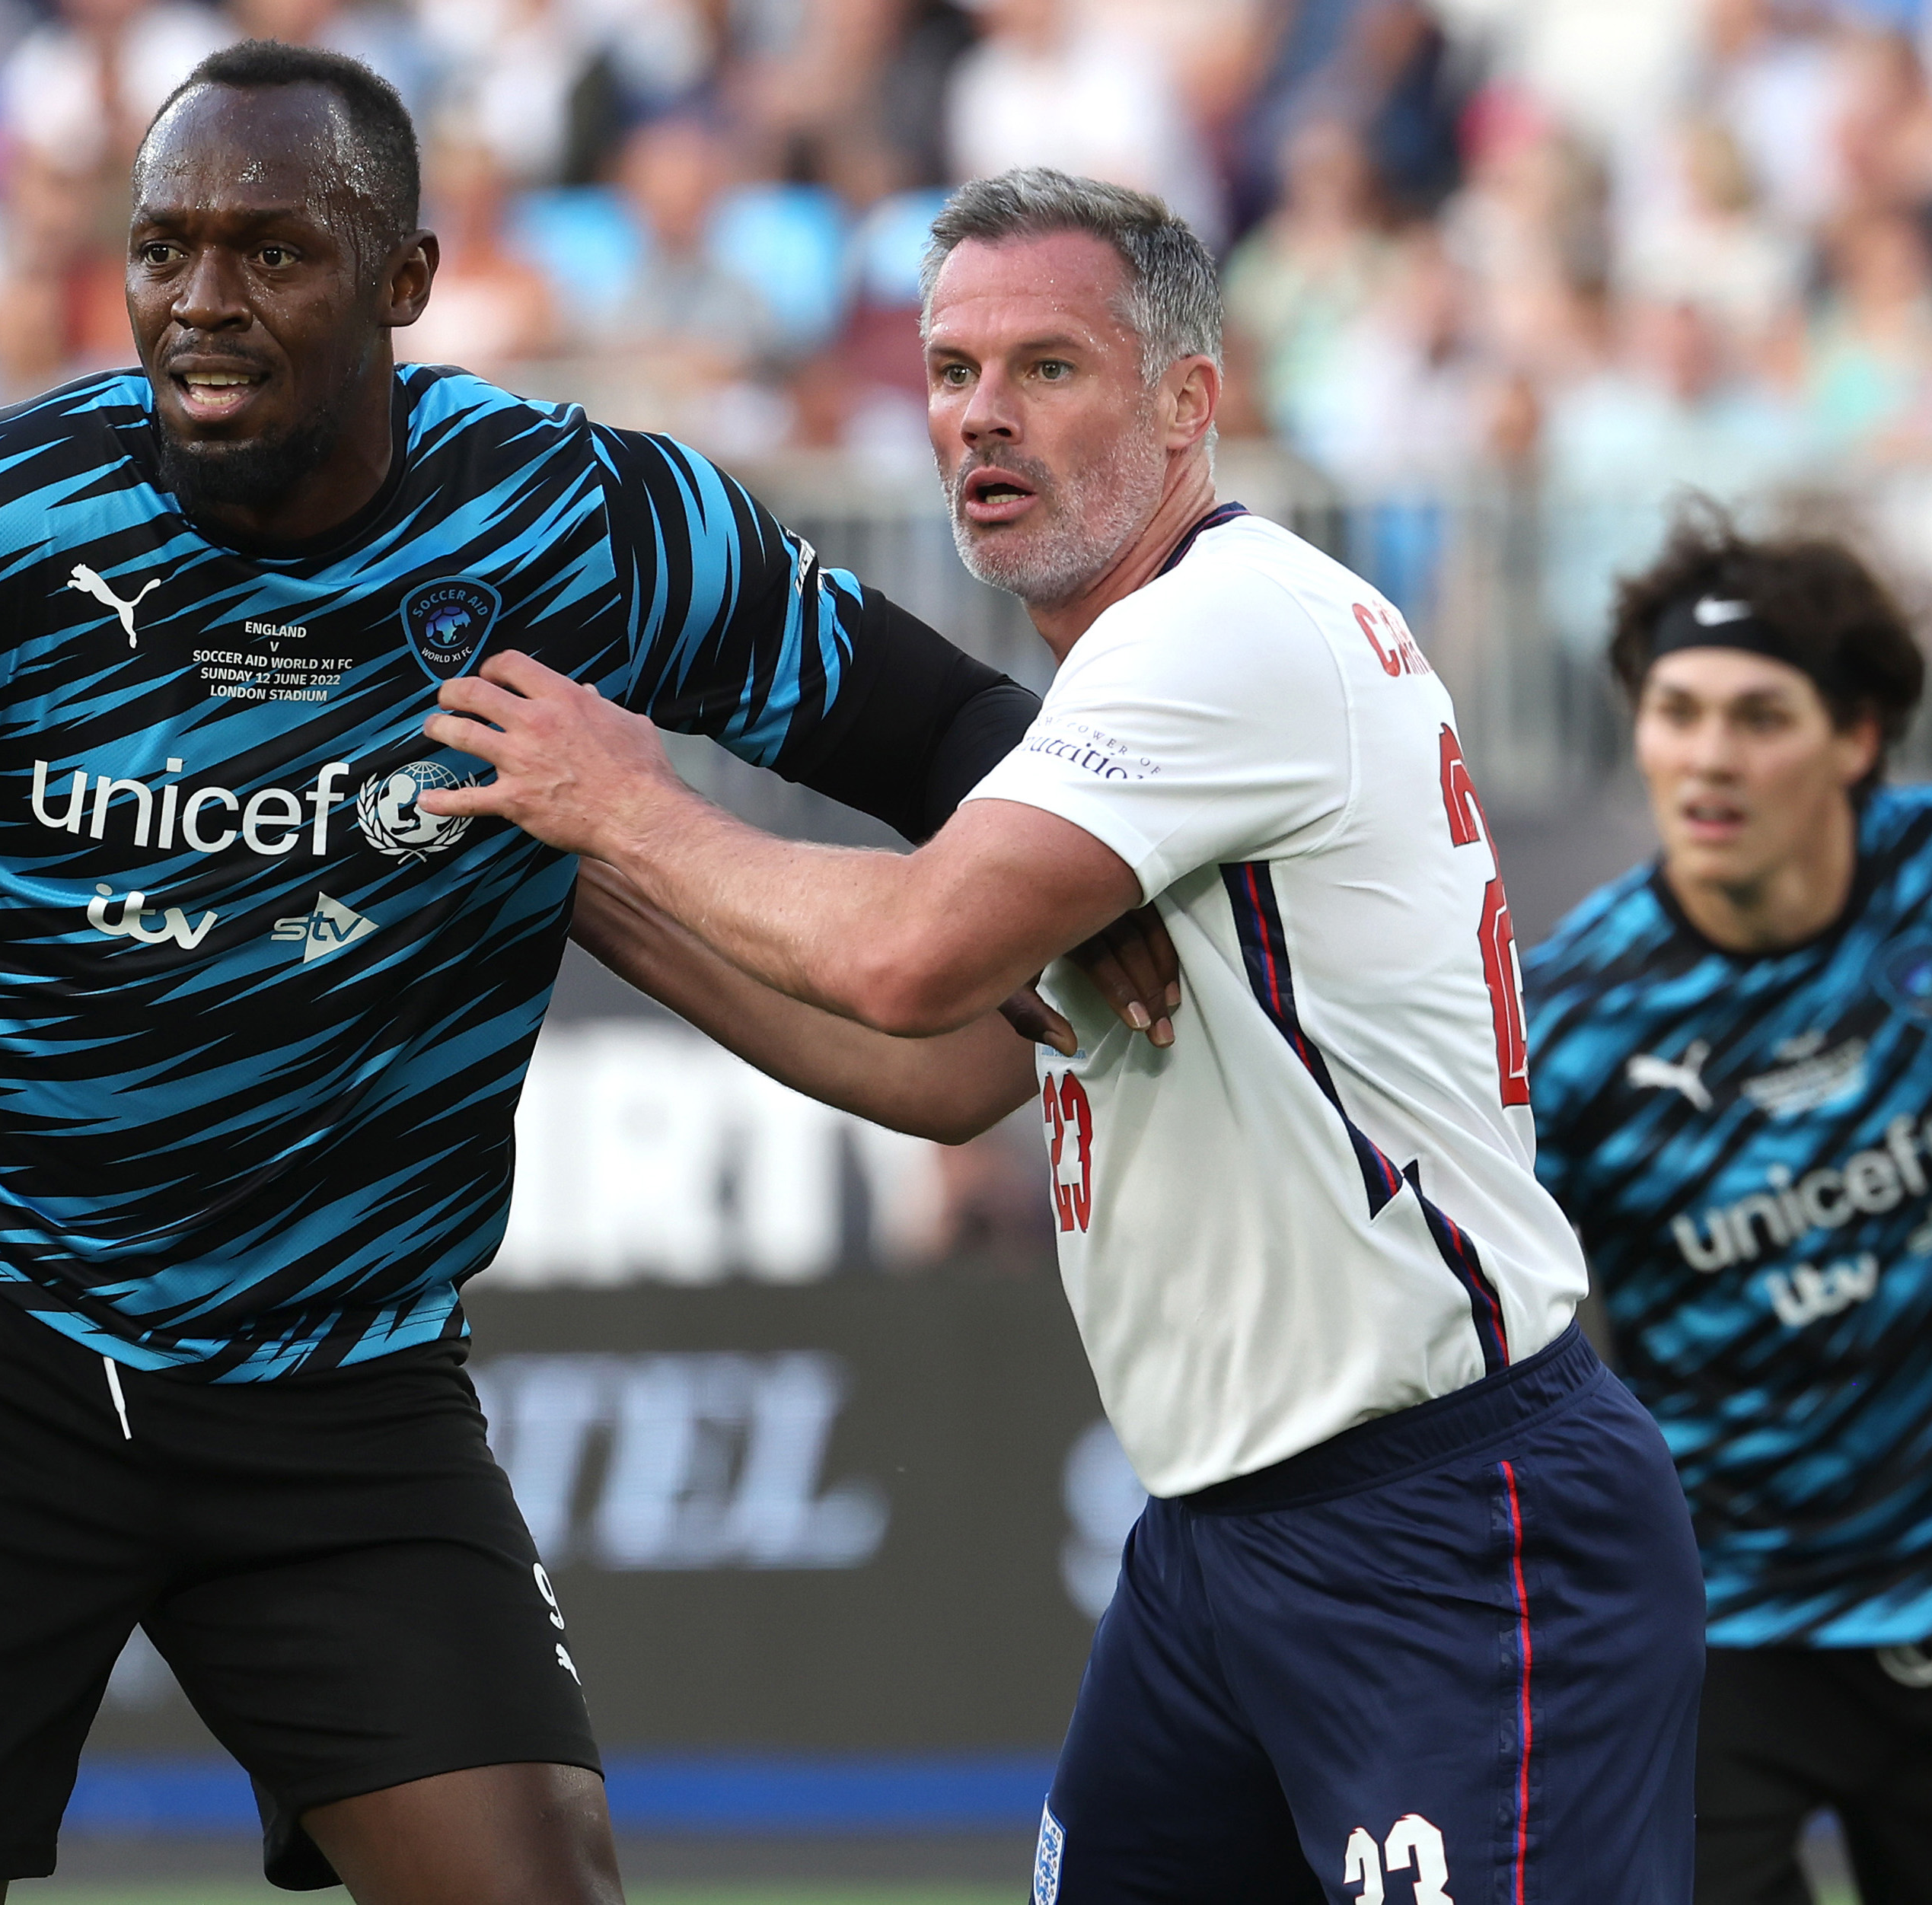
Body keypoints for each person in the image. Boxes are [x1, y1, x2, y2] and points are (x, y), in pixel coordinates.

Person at [0, 42, 1054, 1904]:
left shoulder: (582, 527)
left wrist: (1116, 884)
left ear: (408, 281)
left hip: (338, 1369)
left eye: (273, 253)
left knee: (545, 1891)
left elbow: (967, 738)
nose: (202, 302)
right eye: (166, 247)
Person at [420, 167, 1706, 1904]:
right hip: (1215, 1545)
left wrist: (625, 810)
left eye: (1048, 368)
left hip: (1447, 1522)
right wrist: (583, 882)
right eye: (952, 373)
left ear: (1189, 403)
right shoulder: (1136, 678)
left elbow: (911, 960)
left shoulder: (1226, 632)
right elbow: (951, 1071)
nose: (980, 419)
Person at [1522, 513, 1932, 1905]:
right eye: (1676, 712)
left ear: (1856, 738)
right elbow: (1489, 1327)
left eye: (1758, 716)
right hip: (1724, 1627)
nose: (1709, 756)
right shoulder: (1575, 1022)